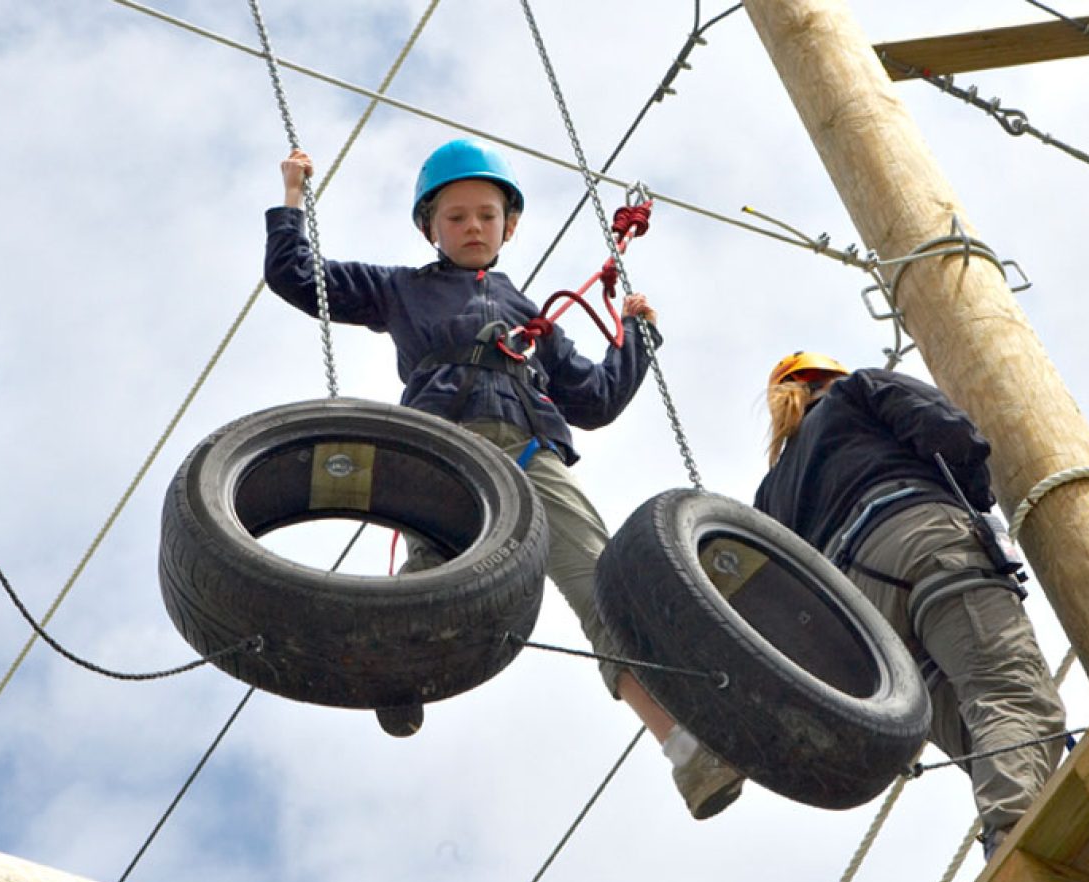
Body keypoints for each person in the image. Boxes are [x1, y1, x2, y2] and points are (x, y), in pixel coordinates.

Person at [265, 137, 743, 819]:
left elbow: (594, 398)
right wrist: (292, 195)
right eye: (455, 217)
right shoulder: (402, 289)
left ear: (509, 226)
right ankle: (396, 672)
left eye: (486, 216)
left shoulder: (530, 315)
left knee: (606, 587)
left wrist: (636, 337)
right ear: (430, 227)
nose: (472, 229)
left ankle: (688, 752)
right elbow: (296, 276)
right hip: (444, 445)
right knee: (434, 570)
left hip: (531, 451)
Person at [752, 351, 1066, 859]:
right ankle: (1014, 849)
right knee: (1011, 698)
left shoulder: (770, 493)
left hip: (860, 617)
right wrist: (976, 500)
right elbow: (947, 431)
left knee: (980, 735)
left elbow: (784, 589)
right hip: (921, 537)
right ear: (827, 378)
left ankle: (1035, 842)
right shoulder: (858, 389)